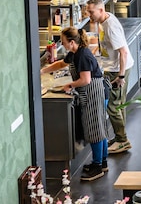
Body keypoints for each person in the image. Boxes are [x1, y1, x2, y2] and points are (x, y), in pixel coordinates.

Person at [44, 27, 113, 181]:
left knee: (95, 130)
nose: (62, 44)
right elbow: (62, 63)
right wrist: (42, 71)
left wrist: (70, 85)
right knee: (99, 128)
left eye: (63, 41)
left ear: (72, 42)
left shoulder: (82, 55)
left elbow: (86, 80)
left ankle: (97, 167)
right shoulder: (76, 52)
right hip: (94, 92)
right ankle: (102, 163)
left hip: (93, 92)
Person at [87, 0, 131, 154]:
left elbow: (123, 52)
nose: (89, 14)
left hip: (117, 70)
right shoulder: (105, 20)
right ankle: (121, 138)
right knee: (119, 104)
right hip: (113, 67)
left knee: (113, 106)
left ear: (100, 10)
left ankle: (122, 140)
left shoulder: (110, 27)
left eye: (91, 12)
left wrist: (121, 75)